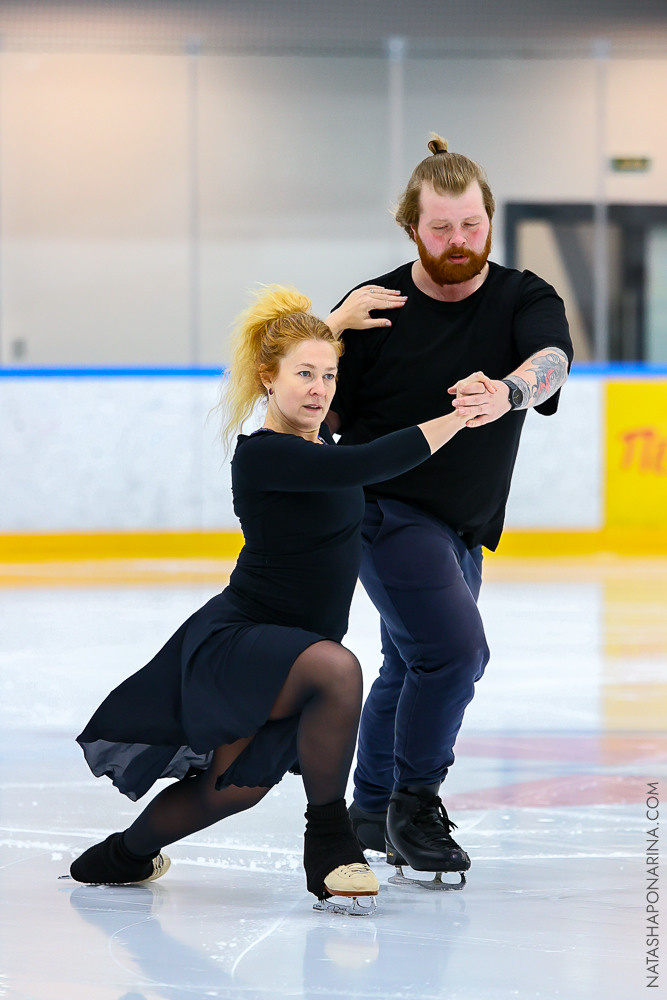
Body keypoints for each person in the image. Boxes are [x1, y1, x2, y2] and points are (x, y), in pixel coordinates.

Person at [69, 285, 470, 911]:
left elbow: (304, 373)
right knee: (339, 672)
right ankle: (332, 845)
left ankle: (122, 854)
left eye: (328, 375)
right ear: (267, 380)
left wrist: (326, 327)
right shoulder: (265, 455)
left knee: (235, 788)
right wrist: (460, 418)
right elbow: (368, 464)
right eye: (303, 375)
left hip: (293, 644)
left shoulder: (316, 442)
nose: (318, 387)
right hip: (245, 636)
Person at [323, 134, 574, 884]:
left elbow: (553, 360)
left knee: (408, 661)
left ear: (488, 220)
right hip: (381, 511)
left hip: (463, 526)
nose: (458, 242)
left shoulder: (523, 297)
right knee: (456, 653)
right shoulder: (375, 309)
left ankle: (368, 809)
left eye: (471, 225)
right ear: (411, 229)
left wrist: (507, 391)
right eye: (441, 228)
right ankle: (414, 803)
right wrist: (329, 329)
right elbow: (307, 406)